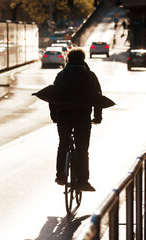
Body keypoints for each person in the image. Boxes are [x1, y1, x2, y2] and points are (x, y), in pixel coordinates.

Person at [50, 48, 102, 192]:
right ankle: (83, 181)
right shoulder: (89, 75)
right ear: (83, 59)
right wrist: (98, 116)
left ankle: (60, 176)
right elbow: (98, 97)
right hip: (82, 114)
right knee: (82, 148)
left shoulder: (61, 75)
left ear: (68, 59)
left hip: (63, 114)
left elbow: (52, 96)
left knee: (63, 144)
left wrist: (55, 115)